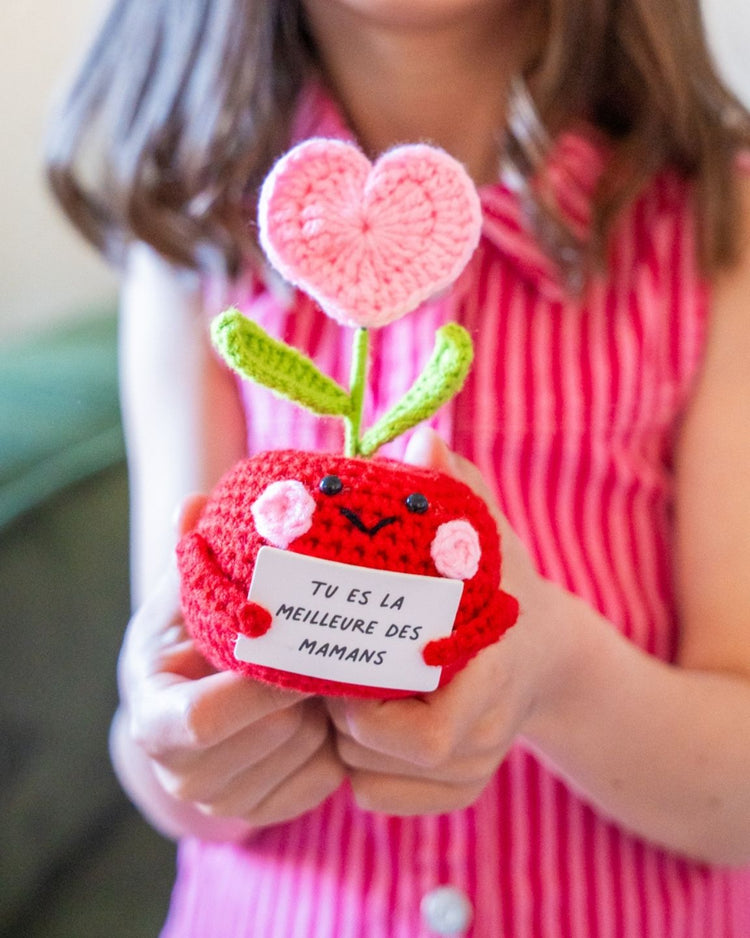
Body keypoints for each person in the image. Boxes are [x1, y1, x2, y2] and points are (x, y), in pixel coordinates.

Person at [46, 0, 750, 935]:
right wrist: (181, 747)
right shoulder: (191, 240)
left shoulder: (720, 230)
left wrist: (560, 677)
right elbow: (172, 723)